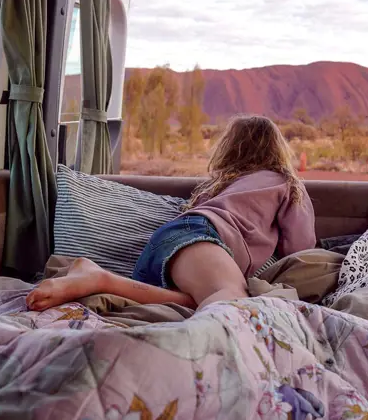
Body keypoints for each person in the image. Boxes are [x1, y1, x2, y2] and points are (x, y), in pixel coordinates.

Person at [26, 115, 317, 311]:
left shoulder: (218, 186)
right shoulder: (286, 182)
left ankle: (102, 279)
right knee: (234, 305)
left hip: (166, 251)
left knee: (196, 303)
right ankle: (98, 278)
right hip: (201, 240)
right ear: (277, 149)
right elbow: (300, 246)